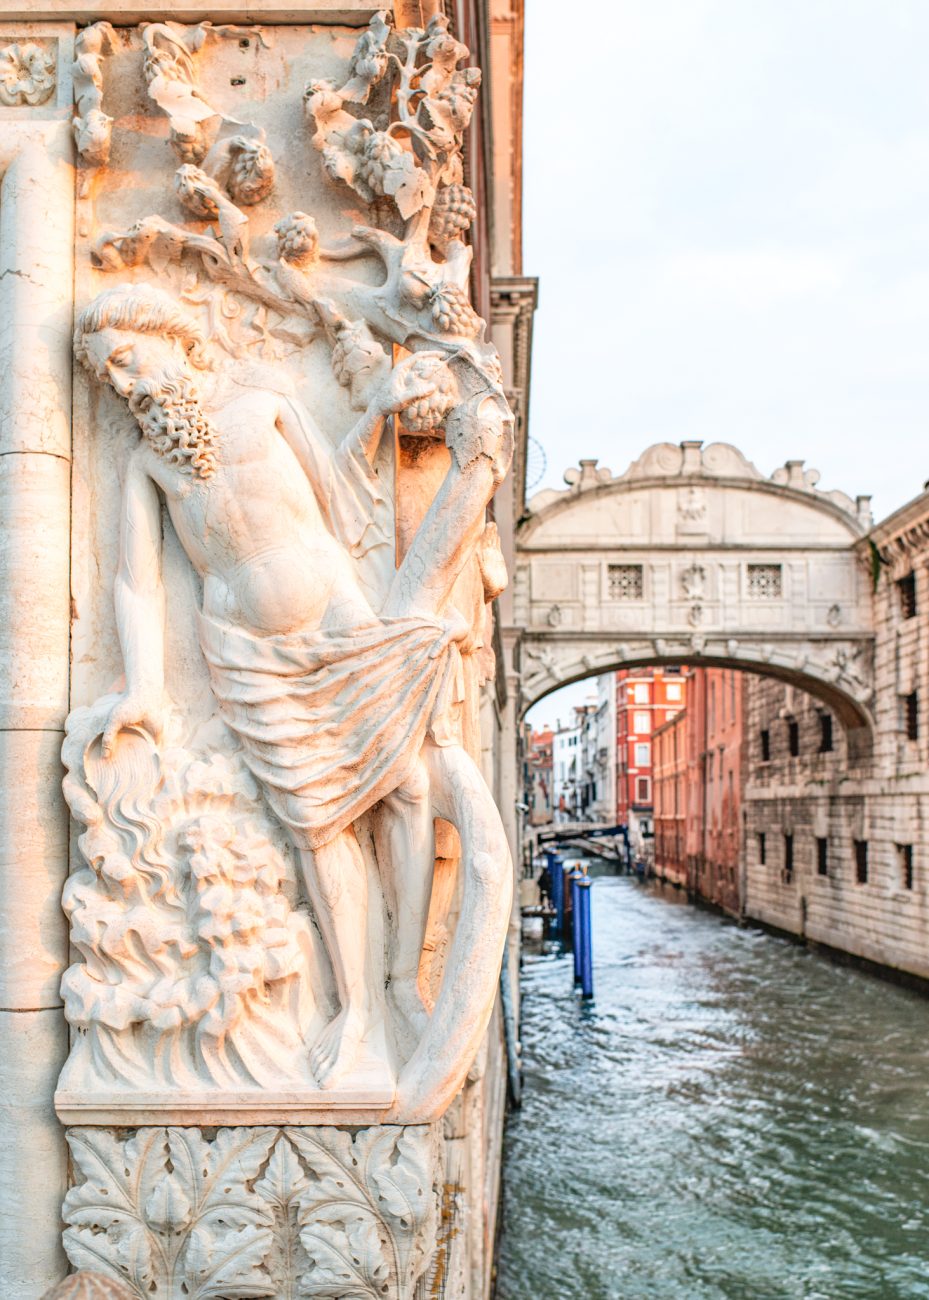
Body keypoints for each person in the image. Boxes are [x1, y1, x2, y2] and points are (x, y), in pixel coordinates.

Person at [74, 282, 511, 1088]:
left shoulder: (263, 403)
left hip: (337, 624)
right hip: (245, 655)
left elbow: (344, 496)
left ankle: (402, 983)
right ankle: (356, 1014)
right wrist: (141, 685)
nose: (126, 385)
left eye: (127, 361)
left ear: (170, 336)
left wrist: (377, 407)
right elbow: (138, 584)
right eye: (109, 380)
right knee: (315, 825)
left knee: (408, 789)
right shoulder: (146, 463)